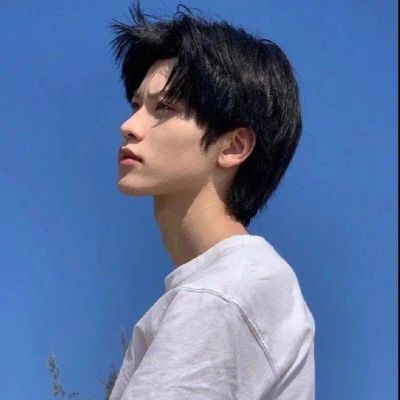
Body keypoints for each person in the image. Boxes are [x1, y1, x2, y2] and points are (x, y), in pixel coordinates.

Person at [108, 2, 315, 399]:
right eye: (136, 105)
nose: (129, 126)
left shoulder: (223, 291)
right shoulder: (230, 283)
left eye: (164, 108)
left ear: (233, 146)